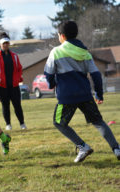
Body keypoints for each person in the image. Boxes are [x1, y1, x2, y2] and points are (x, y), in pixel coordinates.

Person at [44, 21, 120, 162]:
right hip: (85, 94)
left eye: (58, 35)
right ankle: (116, 148)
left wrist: (52, 84)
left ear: (63, 36)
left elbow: (48, 74)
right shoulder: (85, 52)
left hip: (66, 97)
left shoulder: (56, 51)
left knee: (58, 122)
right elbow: (96, 75)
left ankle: (82, 146)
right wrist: (98, 94)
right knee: (98, 122)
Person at [0, 32, 26, 131]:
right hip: (1, 86)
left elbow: (19, 68)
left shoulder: (15, 56)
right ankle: (8, 124)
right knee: (5, 105)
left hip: (14, 85)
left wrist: (18, 78)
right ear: (0, 44)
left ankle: (22, 124)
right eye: (4, 43)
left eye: (7, 43)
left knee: (17, 105)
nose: (6, 45)